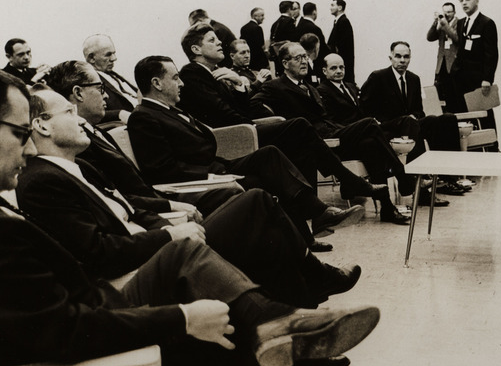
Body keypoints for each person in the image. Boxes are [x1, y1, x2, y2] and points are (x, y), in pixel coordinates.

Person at [0, 63, 380, 366]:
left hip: (63, 350)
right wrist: (183, 318)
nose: (27, 147)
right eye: (19, 132)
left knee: (199, 272)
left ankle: (277, 325)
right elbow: (64, 332)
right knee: (233, 334)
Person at [17, 86, 364, 345]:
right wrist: (169, 235)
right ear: (42, 126)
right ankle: (306, 303)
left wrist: (174, 222)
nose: (80, 118)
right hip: (148, 265)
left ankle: (301, 326)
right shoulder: (42, 181)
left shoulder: (79, 168)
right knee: (255, 205)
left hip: (159, 243)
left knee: (260, 217)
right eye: (69, 111)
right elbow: (98, 252)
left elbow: (131, 212)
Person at [127, 55, 366, 242]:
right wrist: (211, 176)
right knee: (269, 177)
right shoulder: (144, 117)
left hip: (218, 166)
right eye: (175, 78)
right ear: (157, 83)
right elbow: (160, 169)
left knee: (270, 155)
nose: (181, 83)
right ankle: (310, 230)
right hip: (203, 177)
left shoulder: (171, 111)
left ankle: (315, 219)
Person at [176, 22, 386, 211]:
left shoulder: (215, 73)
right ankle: (348, 182)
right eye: (212, 40)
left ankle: (316, 213)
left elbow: (240, 110)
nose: (220, 43)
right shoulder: (192, 73)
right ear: (196, 49)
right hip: (231, 138)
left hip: (242, 130)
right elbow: (224, 114)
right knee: (300, 125)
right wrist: (245, 103)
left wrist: (239, 84)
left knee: (304, 146)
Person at [45, 60, 243, 217]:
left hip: (160, 198)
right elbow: (117, 196)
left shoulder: (96, 133)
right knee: (245, 196)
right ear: (78, 93)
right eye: (100, 88)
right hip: (153, 211)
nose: (106, 97)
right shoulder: (79, 144)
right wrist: (170, 205)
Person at [251, 42, 414, 225]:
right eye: (298, 58)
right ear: (285, 63)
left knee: (369, 143)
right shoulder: (275, 86)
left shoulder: (311, 88)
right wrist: (280, 120)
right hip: (314, 139)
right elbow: (253, 105)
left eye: (305, 57)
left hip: (331, 132)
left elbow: (326, 118)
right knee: (369, 124)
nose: (304, 61)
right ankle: (401, 175)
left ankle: (387, 208)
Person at [360, 41, 467, 197]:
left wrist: (415, 116)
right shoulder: (378, 77)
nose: (402, 60)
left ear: (410, 58)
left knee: (447, 119)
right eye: (398, 56)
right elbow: (363, 108)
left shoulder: (413, 79)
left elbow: (419, 111)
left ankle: (447, 178)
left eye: (406, 57)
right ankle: (419, 182)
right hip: (387, 127)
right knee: (410, 123)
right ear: (390, 58)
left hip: (409, 125)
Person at [452, 0, 499, 149]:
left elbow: (491, 54)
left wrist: (487, 79)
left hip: (478, 80)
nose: (464, 3)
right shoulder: (461, 23)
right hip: (461, 80)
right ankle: (472, 149)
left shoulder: (487, 23)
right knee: (465, 116)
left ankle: (492, 148)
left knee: (484, 114)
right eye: (461, 0)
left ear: (477, 1)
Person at [82, 34, 139, 123]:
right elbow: (87, 113)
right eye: (108, 55)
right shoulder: (89, 82)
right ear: (92, 58)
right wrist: (118, 114)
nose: (114, 58)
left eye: (114, 53)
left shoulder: (114, 75)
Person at [427, 2, 462, 111]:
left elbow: (457, 38)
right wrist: (435, 22)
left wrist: (445, 25)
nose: (446, 15)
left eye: (449, 12)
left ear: (454, 12)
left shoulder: (460, 23)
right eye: (444, 12)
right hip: (441, 64)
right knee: (440, 94)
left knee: (454, 96)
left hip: (453, 65)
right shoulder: (441, 24)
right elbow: (430, 37)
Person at [296, 1, 331, 78]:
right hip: (315, 66)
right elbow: (323, 49)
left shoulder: (298, 26)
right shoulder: (315, 29)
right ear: (314, 12)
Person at [327, 0, 355, 83]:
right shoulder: (339, 21)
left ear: (340, 7)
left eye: (332, 5)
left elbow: (343, 46)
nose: (330, 8)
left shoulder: (343, 22)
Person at [239, 7, 269, 71]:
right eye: (262, 15)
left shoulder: (243, 28)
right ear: (255, 16)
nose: (264, 18)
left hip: (249, 60)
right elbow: (262, 46)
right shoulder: (258, 28)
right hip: (259, 61)